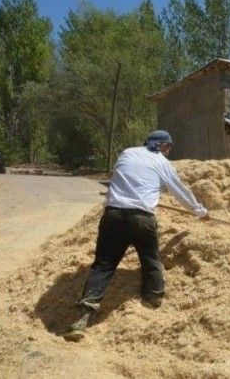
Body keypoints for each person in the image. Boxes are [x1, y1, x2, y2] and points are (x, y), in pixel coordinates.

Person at [64, 130, 209, 340]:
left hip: (113, 215)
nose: (168, 152)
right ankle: (154, 301)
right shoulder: (162, 162)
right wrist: (200, 211)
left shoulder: (127, 153)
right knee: (150, 260)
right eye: (169, 148)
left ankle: (83, 317)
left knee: (103, 265)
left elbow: (124, 178)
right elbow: (180, 190)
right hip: (142, 218)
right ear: (164, 146)